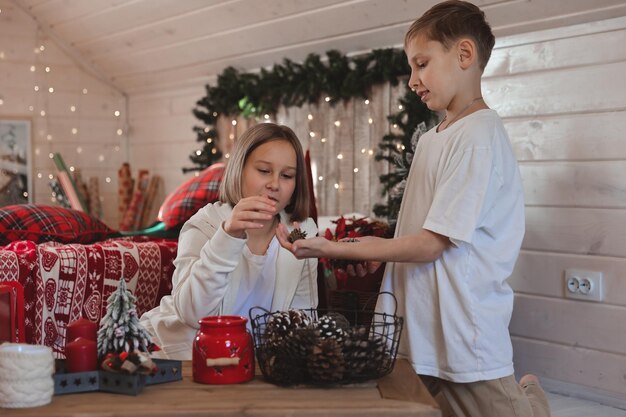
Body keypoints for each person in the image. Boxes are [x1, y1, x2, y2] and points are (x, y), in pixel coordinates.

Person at [276, 2, 550, 416]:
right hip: (419, 321)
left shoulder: (478, 135)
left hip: (462, 327)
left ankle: (532, 397)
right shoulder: (432, 138)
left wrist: (339, 248)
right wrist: (371, 258)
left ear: (463, 55)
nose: (412, 80)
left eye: (421, 64)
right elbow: (416, 230)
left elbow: (430, 245)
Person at [141, 123, 318, 360]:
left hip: (251, 367)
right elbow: (192, 313)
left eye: (286, 176)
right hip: (176, 356)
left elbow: (303, 317)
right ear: (240, 170)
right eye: (264, 171)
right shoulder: (204, 225)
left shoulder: (302, 232)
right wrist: (228, 236)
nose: (275, 184)